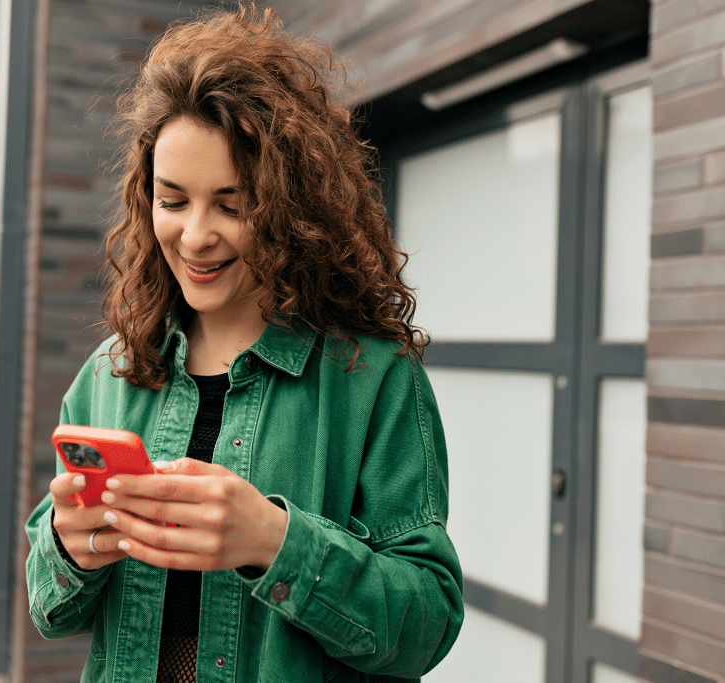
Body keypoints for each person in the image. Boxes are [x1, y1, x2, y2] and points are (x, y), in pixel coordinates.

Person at [24, 6, 463, 682]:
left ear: (293, 208)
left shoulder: (373, 377)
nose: (196, 235)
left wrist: (273, 541)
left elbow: (426, 622)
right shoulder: (109, 373)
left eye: (233, 205)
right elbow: (50, 607)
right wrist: (68, 547)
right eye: (173, 201)